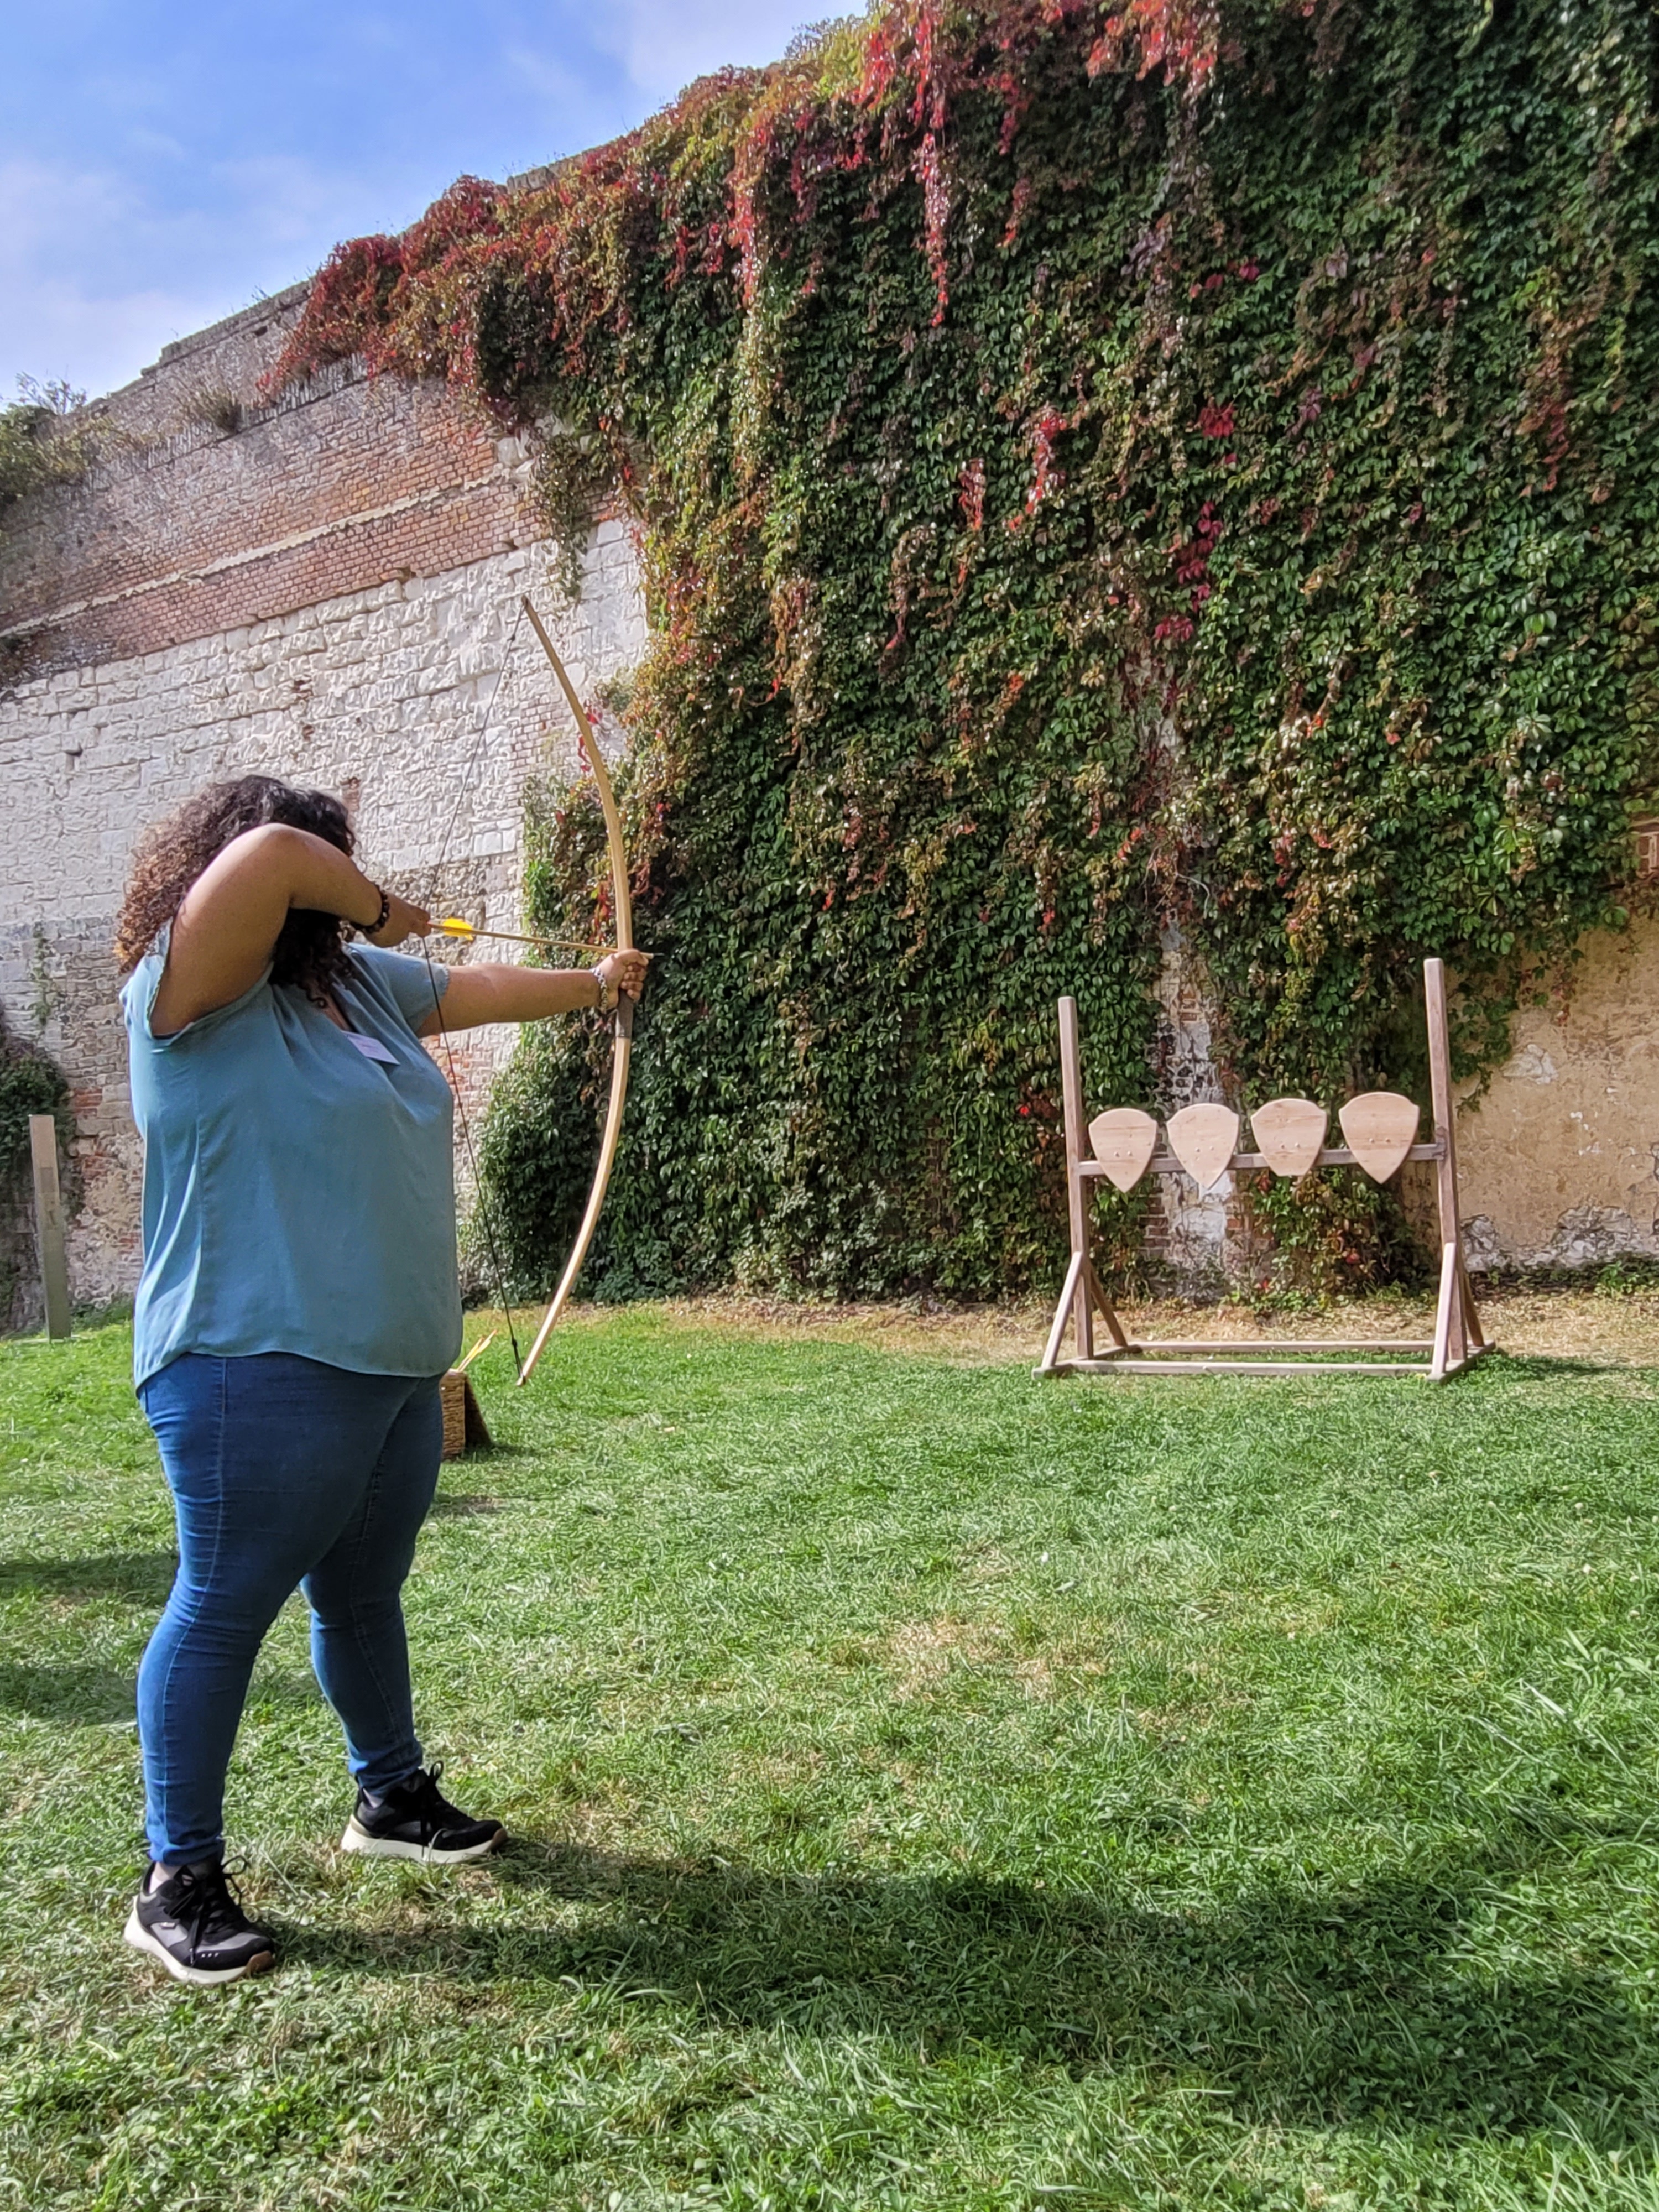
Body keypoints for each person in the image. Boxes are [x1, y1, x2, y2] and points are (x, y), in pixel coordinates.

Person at [112, 774, 648, 1987]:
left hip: (394, 1362)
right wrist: (386, 903)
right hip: (251, 1358)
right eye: (325, 870)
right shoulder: (185, 992)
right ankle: (176, 1879)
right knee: (224, 1600)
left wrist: (594, 985)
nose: (326, 892)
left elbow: (474, 990)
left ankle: (391, 1794)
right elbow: (267, 858)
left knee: (363, 1589)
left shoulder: (349, 986)